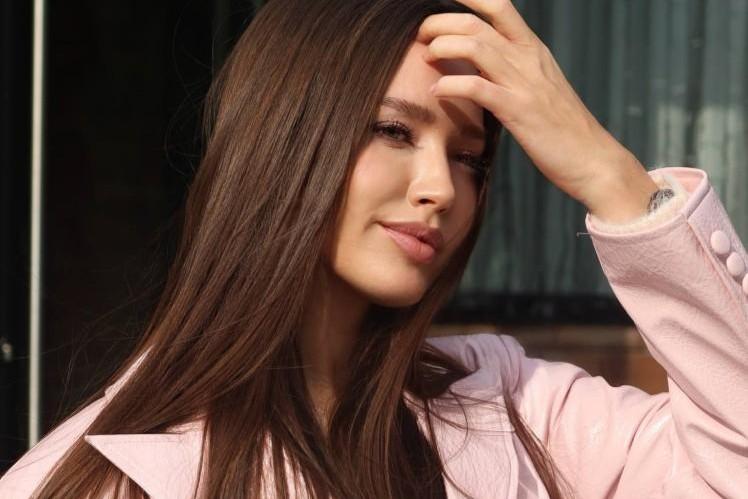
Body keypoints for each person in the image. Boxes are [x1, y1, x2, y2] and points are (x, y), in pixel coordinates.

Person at [2, 0, 746, 497]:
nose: (442, 189)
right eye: (394, 130)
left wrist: (610, 179)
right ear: (285, 137)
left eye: (470, 158)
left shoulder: (516, 407)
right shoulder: (99, 480)